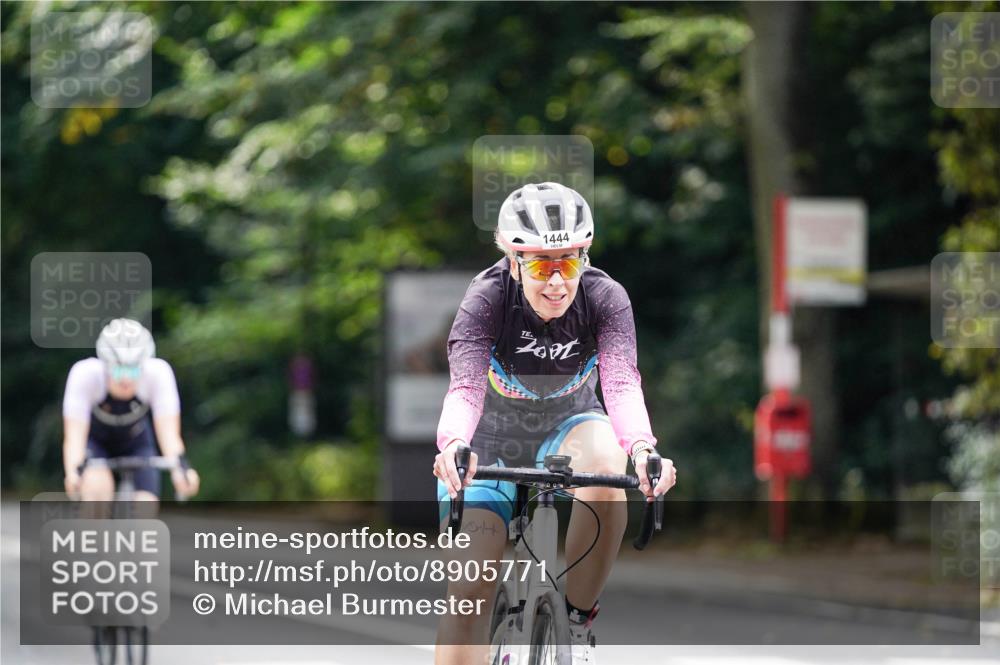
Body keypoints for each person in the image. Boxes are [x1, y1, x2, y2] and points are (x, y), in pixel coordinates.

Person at [432, 183, 677, 664]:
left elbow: (623, 383)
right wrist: (454, 444)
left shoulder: (605, 298)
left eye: (568, 263)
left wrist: (645, 450)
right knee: (468, 589)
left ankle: (579, 624)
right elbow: (463, 388)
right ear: (512, 259)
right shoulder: (486, 299)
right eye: (543, 265)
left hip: (570, 428)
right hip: (490, 442)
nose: (557, 282)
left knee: (609, 469)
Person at [62, 318, 199, 502]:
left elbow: (170, 435)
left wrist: (181, 470)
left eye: (134, 372)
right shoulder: (85, 375)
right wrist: (73, 473)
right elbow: (74, 437)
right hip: (96, 443)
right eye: (118, 372)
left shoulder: (158, 374)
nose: (126, 380)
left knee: (146, 504)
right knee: (97, 493)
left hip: (136, 441)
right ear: (105, 366)